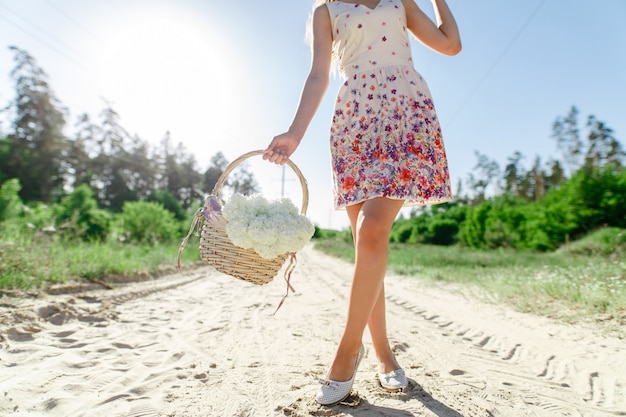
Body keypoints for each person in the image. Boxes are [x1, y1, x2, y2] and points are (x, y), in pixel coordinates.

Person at [263, 0, 461, 406]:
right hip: (355, 120)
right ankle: (386, 357)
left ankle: (346, 353)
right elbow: (319, 74)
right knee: (366, 246)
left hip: (407, 114)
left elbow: (449, 45)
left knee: (372, 230)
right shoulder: (326, 10)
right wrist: (294, 134)